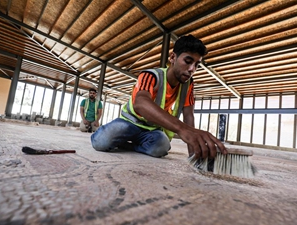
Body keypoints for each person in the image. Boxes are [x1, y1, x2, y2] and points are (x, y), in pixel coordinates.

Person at [91, 35, 227, 159]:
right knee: (101, 142)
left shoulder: (188, 85)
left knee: (161, 147)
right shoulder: (150, 75)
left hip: (152, 130)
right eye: (188, 61)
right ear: (173, 58)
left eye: (197, 65)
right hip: (130, 122)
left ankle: (128, 145)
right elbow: (141, 102)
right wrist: (182, 129)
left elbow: (188, 116)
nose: (192, 69)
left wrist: (194, 154)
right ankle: (112, 135)